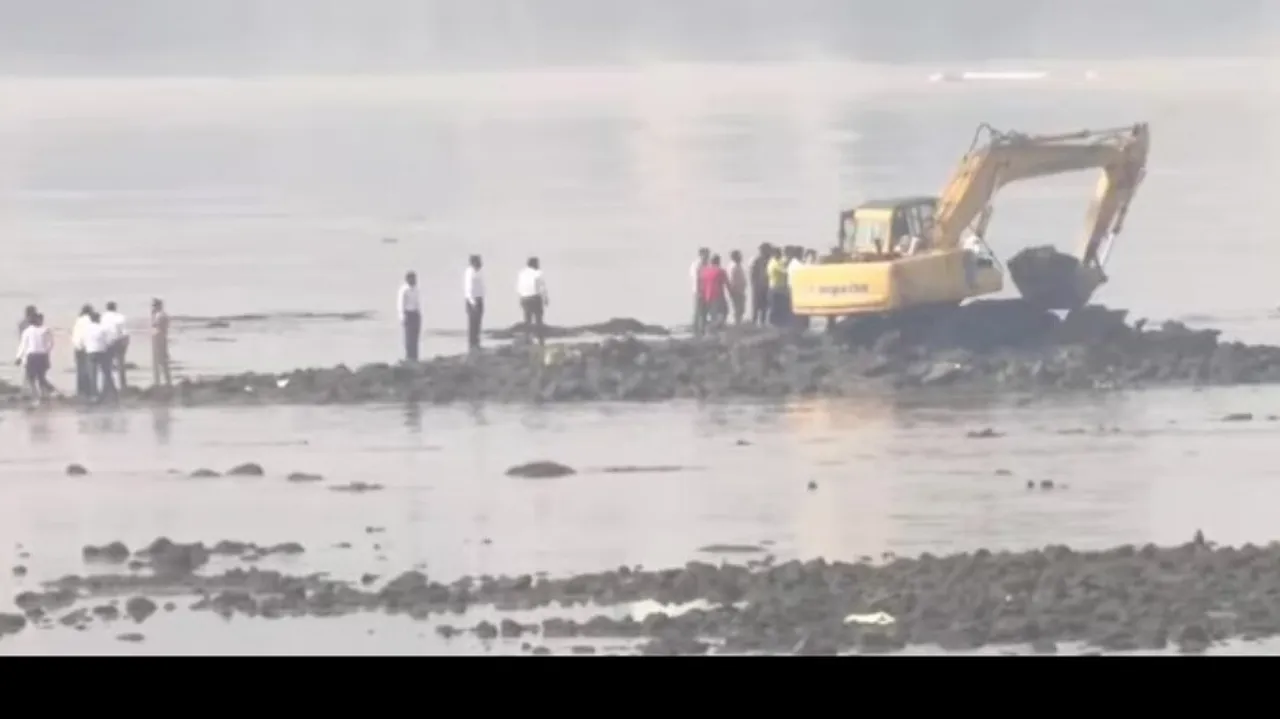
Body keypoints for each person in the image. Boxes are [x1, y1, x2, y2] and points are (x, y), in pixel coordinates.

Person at [14, 313, 55, 401]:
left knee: (31, 377)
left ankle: (36, 395)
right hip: (42, 356)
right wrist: (46, 351)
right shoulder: (46, 330)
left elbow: (23, 345)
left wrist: (18, 357)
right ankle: (44, 394)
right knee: (41, 376)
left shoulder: (28, 331)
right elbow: (51, 344)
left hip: (32, 356)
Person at [83, 311, 116, 401]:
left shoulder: (86, 329)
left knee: (93, 374)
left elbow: (83, 340)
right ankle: (112, 392)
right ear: (98, 319)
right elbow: (109, 340)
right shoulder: (102, 328)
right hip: (102, 351)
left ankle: (94, 394)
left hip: (90, 352)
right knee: (106, 373)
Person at [517, 257, 549, 345]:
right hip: (535, 298)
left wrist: (520, 298)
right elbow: (542, 287)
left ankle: (527, 339)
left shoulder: (521, 273)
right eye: (538, 263)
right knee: (538, 319)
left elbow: (519, 287)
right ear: (535, 264)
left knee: (527, 319)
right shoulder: (538, 273)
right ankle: (540, 340)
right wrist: (546, 298)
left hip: (524, 298)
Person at [100, 301, 129, 390]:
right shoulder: (120, 317)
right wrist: (126, 344)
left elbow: (101, 330)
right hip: (118, 341)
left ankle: (107, 386)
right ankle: (122, 385)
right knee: (120, 364)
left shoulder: (102, 317)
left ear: (107, 308)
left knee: (107, 365)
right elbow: (125, 332)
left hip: (106, 342)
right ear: (115, 308)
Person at [699, 254, 731, 331]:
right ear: (718, 261)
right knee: (724, 311)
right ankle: (714, 328)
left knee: (713, 314)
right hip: (718, 295)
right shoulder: (720, 271)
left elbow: (701, 284)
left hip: (707, 296)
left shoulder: (704, 271)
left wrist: (702, 296)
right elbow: (726, 283)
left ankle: (713, 329)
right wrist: (732, 293)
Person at [71, 304, 95, 398]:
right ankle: (88, 391)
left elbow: (74, 335)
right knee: (87, 370)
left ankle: (80, 391)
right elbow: (88, 334)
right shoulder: (89, 320)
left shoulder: (78, 320)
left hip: (77, 347)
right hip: (86, 347)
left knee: (80, 370)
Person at [397, 271, 422, 362]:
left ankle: (415, 357)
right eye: (413, 279)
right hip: (407, 314)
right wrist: (402, 317)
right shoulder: (404, 290)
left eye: (415, 279)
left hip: (415, 313)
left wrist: (419, 313)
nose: (415, 280)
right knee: (409, 337)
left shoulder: (416, 289)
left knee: (416, 336)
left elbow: (417, 302)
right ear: (408, 280)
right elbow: (400, 304)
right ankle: (409, 357)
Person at [463, 255, 485, 352]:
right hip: (473, 301)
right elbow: (468, 289)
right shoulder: (470, 272)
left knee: (478, 322)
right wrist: (473, 302)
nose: (481, 263)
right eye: (479, 261)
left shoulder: (477, 272)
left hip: (479, 299)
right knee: (473, 323)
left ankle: (476, 343)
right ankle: (472, 345)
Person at [150, 298, 172, 387]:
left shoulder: (161, 315)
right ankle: (160, 381)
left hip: (160, 339)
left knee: (161, 361)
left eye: (155, 305)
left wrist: (153, 316)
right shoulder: (159, 315)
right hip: (159, 338)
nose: (153, 307)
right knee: (159, 361)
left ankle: (164, 381)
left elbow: (157, 326)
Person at [689, 247, 710, 336]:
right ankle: (695, 330)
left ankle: (702, 329)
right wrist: (698, 291)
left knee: (704, 311)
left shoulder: (705, 264)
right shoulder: (697, 264)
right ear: (701, 254)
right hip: (698, 291)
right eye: (706, 254)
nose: (708, 256)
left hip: (705, 290)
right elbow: (696, 279)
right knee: (698, 311)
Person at [766, 247, 789, 326]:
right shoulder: (774, 263)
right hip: (775, 289)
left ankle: (778, 324)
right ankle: (773, 324)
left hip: (779, 288)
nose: (780, 255)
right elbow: (785, 271)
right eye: (779, 254)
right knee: (775, 308)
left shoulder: (777, 262)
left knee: (779, 308)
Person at [749, 243, 771, 325]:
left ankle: (762, 323)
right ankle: (754, 322)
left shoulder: (769, 260)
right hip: (758, 286)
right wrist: (754, 284)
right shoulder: (757, 260)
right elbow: (752, 274)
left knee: (764, 307)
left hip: (766, 286)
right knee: (756, 306)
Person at [726, 250, 747, 325]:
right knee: (738, 308)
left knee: (741, 308)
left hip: (740, 290)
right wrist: (732, 290)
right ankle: (737, 323)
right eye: (739, 256)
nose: (741, 257)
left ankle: (738, 322)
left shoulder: (738, 265)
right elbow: (731, 279)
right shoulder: (733, 266)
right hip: (736, 291)